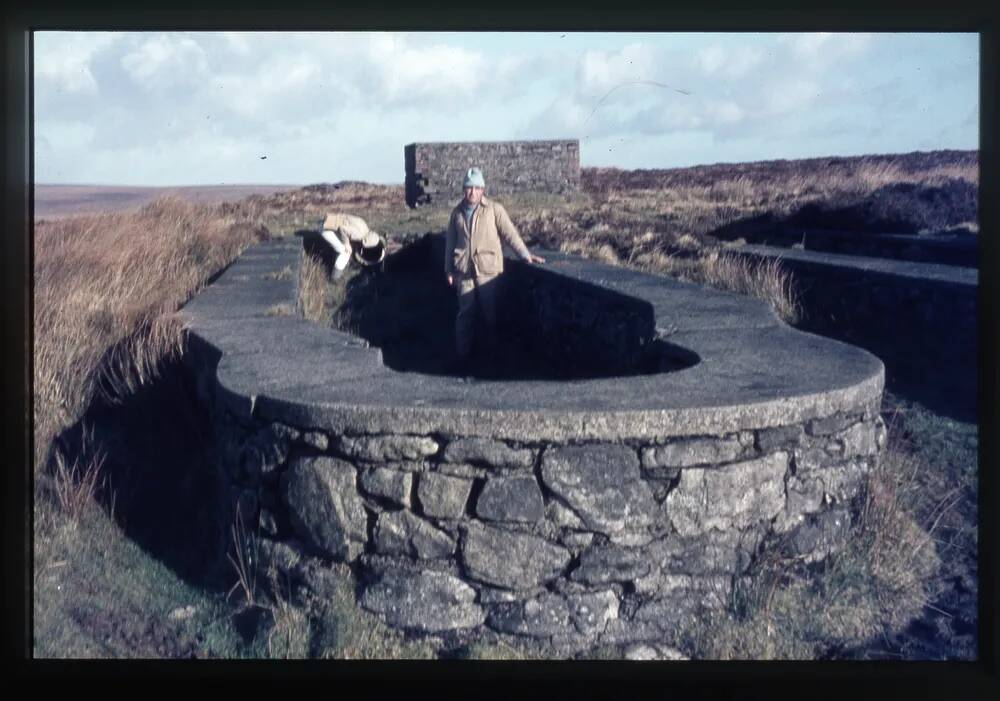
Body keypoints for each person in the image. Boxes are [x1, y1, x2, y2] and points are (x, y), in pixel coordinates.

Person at [444, 167, 545, 370]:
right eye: (468, 188)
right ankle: (462, 357)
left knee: (491, 315)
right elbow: (450, 243)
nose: (471, 192)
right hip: (464, 270)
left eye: (476, 188)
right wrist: (448, 270)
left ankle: (492, 357)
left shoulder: (494, 210)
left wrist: (525, 255)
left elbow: (510, 234)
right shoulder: (457, 212)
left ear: (483, 190)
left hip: (488, 270)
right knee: (465, 314)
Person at [320, 212, 385, 278]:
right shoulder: (358, 235)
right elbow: (342, 229)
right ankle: (334, 278)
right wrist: (346, 244)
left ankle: (338, 260)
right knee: (345, 252)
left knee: (344, 248)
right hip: (326, 229)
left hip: (329, 221)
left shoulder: (364, 227)